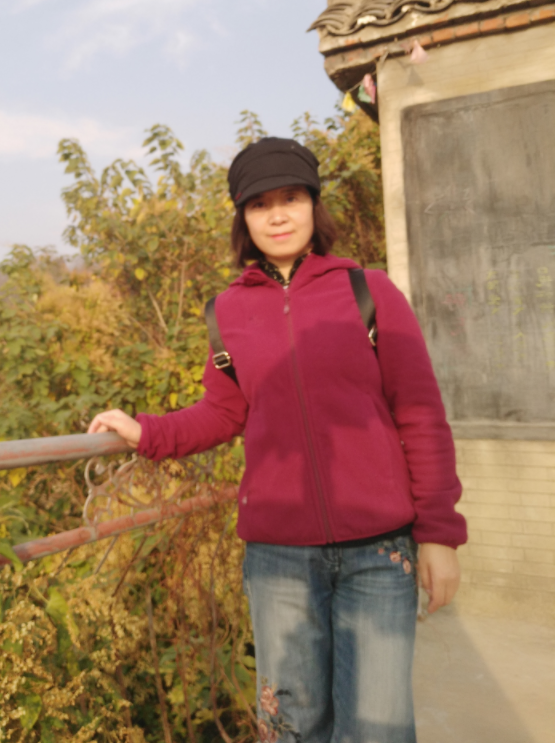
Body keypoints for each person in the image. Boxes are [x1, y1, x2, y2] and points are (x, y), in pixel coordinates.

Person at [88, 136, 466, 743]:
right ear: (243, 218)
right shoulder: (226, 312)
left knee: (378, 729)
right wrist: (145, 431)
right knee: (292, 728)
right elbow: (222, 411)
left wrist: (439, 534)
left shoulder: (368, 292)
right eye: (260, 204)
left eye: (291, 198)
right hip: (278, 559)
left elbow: (420, 414)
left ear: (314, 204)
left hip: (378, 554)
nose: (278, 215)